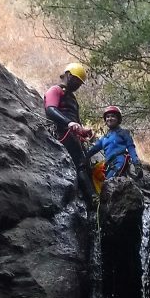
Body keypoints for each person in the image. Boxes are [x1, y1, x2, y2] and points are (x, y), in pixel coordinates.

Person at [44, 62, 94, 198]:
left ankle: (93, 195)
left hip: (73, 134)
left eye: (80, 83)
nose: (77, 85)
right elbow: (51, 109)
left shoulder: (73, 99)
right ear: (68, 75)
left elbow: (75, 121)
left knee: (87, 164)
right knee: (81, 164)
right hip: (62, 132)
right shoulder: (55, 90)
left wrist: (84, 132)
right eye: (76, 80)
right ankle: (93, 198)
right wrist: (68, 122)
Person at [85, 106, 143, 182]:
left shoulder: (124, 133)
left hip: (120, 162)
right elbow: (93, 150)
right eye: (107, 117)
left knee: (108, 184)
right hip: (108, 166)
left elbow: (131, 148)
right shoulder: (104, 138)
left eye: (113, 116)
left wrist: (136, 164)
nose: (110, 118)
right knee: (103, 184)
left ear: (118, 119)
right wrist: (83, 158)